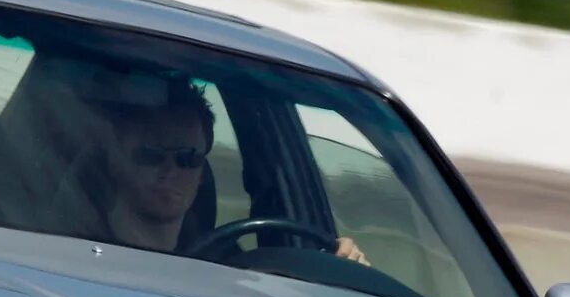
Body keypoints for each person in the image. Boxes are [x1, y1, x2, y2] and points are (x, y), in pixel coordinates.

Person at [97, 83, 368, 264]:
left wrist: (346, 269)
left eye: (188, 158)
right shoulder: (79, 245)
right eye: (151, 155)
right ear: (115, 161)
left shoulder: (234, 265)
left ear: (203, 171)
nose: (170, 171)